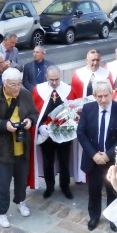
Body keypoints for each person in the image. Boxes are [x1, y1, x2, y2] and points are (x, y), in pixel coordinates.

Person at [0, 68, 37, 228]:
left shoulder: (25, 94)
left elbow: (34, 112)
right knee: (3, 184)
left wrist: (30, 122)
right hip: (3, 147)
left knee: (21, 180)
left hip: (22, 145)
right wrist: (4, 125)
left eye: (19, 84)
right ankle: (1, 212)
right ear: (4, 83)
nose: (17, 88)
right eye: (13, 85)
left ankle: (20, 201)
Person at [77, 81, 117, 231]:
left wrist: (108, 155)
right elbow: (81, 133)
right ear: (94, 96)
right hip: (93, 159)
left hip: (112, 160)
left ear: (111, 93)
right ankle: (94, 216)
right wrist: (94, 154)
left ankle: (113, 217)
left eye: (106, 96)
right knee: (94, 189)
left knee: (112, 190)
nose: (103, 100)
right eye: (99, 96)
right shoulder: (88, 109)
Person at [31, 65, 79, 199]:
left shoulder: (68, 90)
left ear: (60, 77)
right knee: (48, 162)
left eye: (57, 79)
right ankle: (49, 187)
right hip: (46, 135)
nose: (54, 83)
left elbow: (74, 112)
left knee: (64, 162)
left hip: (64, 134)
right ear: (46, 77)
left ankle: (65, 187)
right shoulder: (38, 90)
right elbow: (34, 111)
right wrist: (40, 126)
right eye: (51, 79)